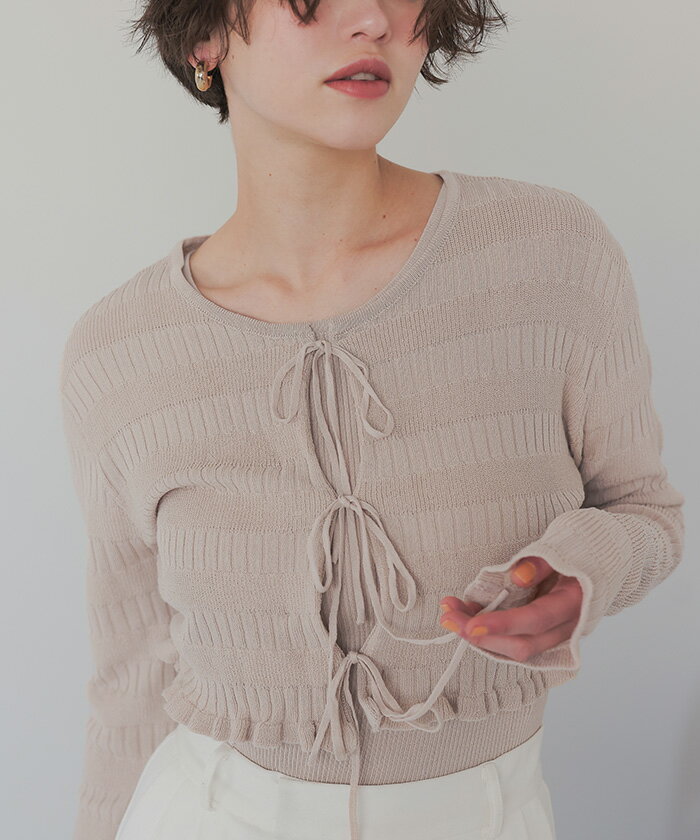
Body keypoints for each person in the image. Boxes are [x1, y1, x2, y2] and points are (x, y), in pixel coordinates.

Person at [59, 1, 686, 839]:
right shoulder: (120, 353)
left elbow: (644, 511)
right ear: (204, 35)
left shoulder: (549, 257)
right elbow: (132, 679)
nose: (372, 19)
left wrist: (584, 570)